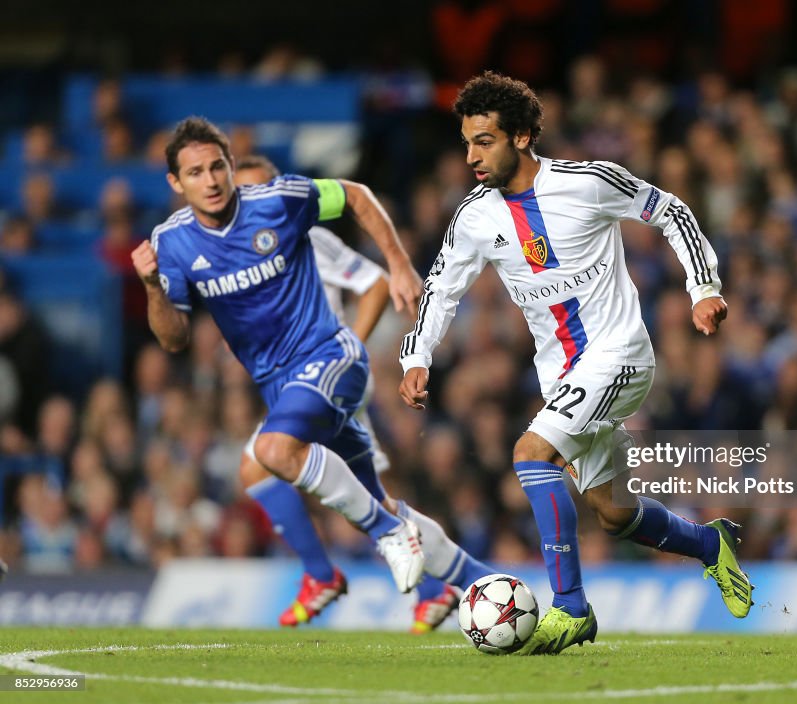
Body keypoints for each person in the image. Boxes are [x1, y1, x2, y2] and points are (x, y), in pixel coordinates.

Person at [399, 72, 753, 655]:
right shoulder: (475, 216)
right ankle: (711, 546)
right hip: (560, 373)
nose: (471, 156)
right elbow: (442, 287)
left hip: (620, 355)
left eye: (483, 141)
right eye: (466, 142)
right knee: (614, 515)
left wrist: (703, 289)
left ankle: (571, 608)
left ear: (520, 137)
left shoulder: (587, 182)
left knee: (529, 453)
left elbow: (671, 211)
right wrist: (418, 355)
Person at [131, 117, 431, 594]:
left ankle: (390, 535)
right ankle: (457, 587)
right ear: (175, 182)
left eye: (216, 167)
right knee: (367, 497)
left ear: (231, 166)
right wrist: (151, 286)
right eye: (195, 173)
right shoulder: (172, 243)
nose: (209, 181)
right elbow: (173, 339)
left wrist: (398, 265)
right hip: (277, 384)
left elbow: (355, 195)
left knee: (271, 453)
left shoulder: (279, 200)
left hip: (331, 355)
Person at [232, 155, 490, 630]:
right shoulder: (240, 253)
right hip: (298, 381)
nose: (248, 203)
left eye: (256, 190)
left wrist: (346, 346)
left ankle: (319, 573)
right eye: (240, 193)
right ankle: (457, 585)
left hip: (326, 375)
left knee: (260, 462)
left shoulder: (306, 236)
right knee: (369, 502)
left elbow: (373, 284)